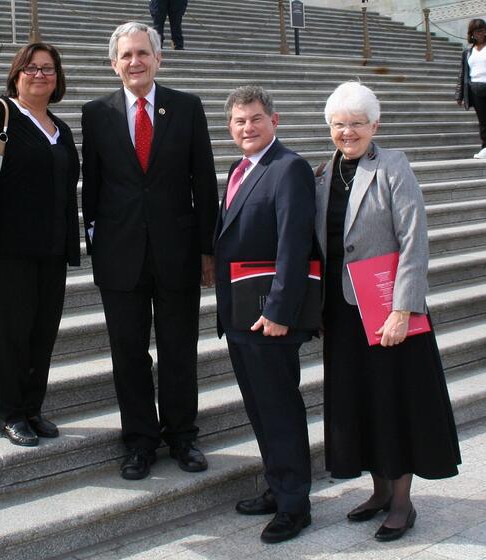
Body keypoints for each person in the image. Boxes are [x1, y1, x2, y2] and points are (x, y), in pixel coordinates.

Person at [316, 81, 461, 542]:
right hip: (343, 313)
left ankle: (401, 503)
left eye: (357, 124)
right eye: (339, 124)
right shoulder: (323, 174)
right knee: (360, 401)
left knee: (395, 402)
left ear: (374, 126)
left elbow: (414, 239)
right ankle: (379, 492)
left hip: (388, 311)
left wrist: (403, 309)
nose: (348, 132)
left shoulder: (393, 166)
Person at [81, 22, 218, 480]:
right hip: (119, 254)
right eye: (126, 55)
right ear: (114, 64)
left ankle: (182, 435)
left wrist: (207, 249)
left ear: (159, 58)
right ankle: (139, 441)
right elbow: (92, 188)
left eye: (143, 53)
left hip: (177, 251)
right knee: (128, 353)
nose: (135, 62)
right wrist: (97, 245)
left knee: (179, 348)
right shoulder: (95, 113)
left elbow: (204, 180)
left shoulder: (187, 107)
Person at [0, 43, 81, 447]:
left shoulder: (60, 128)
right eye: (31, 68)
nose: (39, 75)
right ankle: (10, 412)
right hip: (5, 249)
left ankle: (33, 407)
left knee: (42, 332)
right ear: (16, 75)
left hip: (51, 249)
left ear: (58, 78)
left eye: (48, 69)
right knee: (10, 333)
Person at [214, 85, 316, 544]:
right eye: (239, 121)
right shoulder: (239, 168)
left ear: (275, 121)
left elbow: (294, 244)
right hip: (241, 314)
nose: (247, 127)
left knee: (280, 409)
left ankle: (295, 506)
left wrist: (279, 311)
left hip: (268, 316)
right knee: (259, 408)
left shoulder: (288, 167)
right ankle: (278, 487)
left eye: (255, 118)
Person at [456, 18, 486, 159]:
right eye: (477, 31)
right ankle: (485, 148)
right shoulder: (468, 52)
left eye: (482, 30)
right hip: (475, 89)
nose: (480, 33)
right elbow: (463, 74)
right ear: (472, 34)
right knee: (483, 121)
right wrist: (459, 95)